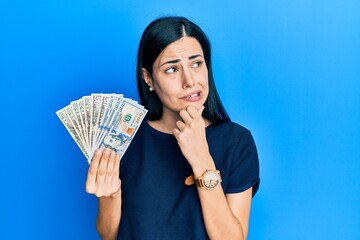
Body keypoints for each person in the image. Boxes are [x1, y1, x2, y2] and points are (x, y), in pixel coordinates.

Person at [85, 16, 260, 240]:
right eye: (171, 69)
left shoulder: (237, 141)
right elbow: (110, 235)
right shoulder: (121, 137)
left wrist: (202, 161)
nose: (189, 80)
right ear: (148, 78)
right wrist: (109, 195)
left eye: (197, 64)